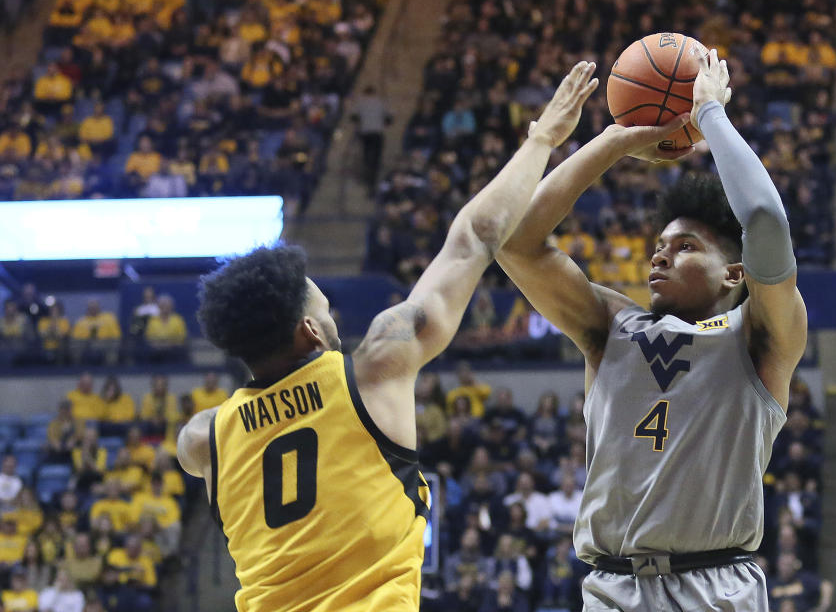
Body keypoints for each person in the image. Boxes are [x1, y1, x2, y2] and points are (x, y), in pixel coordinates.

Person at [175, 62, 633, 611]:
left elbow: (224, 432)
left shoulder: (204, 440)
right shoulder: (372, 370)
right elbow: (473, 239)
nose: (334, 314)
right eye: (326, 306)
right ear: (311, 331)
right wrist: (544, 136)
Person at [496, 50, 806, 610]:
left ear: (734, 272)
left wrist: (710, 113)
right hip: (611, 587)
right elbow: (517, 243)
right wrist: (619, 139)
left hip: (716, 586)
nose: (658, 260)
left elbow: (764, 220)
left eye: (685, 248)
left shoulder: (760, 335)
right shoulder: (611, 325)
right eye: (657, 248)